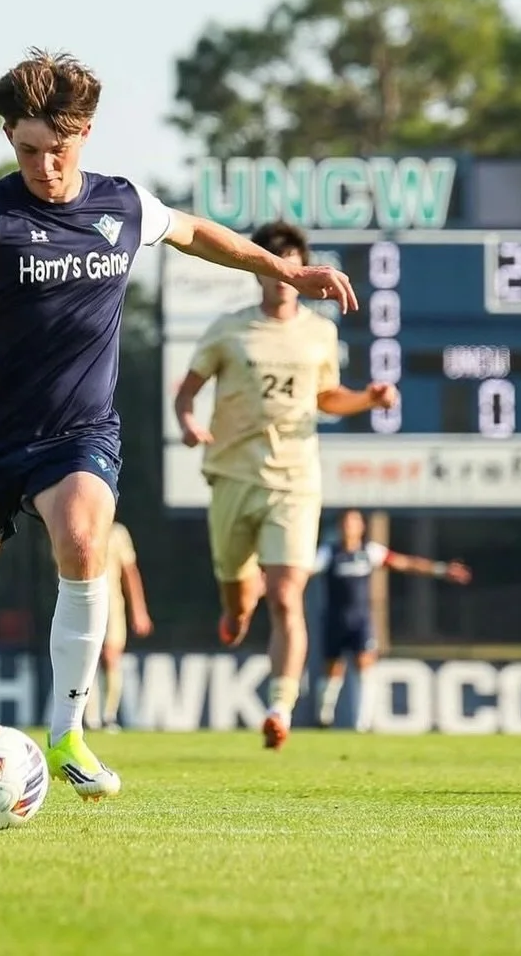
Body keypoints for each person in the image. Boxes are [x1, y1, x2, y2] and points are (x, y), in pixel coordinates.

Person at [0, 50, 356, 819]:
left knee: (86, 539)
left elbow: (199, 234)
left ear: (85, 134)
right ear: (10, 140)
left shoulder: (125, 205)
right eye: (26, 148)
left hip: (78, 433)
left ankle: (68, 733)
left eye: (56, 148)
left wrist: (286, 272)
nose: (43, 163)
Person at [172, 220, 395, 752]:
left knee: (287, 595)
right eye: (273, 265)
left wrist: (368, 399)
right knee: (240, 595)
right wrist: (187, 421)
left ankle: (280, 705)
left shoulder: (320, 332)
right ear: (258, 270)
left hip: (296, 479)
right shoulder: (229, 329)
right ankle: (233, 609)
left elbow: (327, 397)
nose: (282, 277)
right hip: (232, 475)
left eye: (292, 265)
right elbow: (187, 391)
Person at [315, 508, 472, 731]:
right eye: (346, 522)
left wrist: (441, 569)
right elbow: (304, 571)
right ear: (340, 526)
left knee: (365, 665)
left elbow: (405, 563)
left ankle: (363, 724)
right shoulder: (328, 553)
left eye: (355, 521)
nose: (350, 526)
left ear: (362, 526)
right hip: (335, 619)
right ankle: (324, 717)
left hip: (361, 620)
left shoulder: (370, 552)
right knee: (332, 670)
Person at [84, 519, 152, 732]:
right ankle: (88, 717)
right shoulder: (77, 528)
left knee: (111, 656)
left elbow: (130, 572)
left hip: (112, 605)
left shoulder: (117, 533)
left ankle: (108, 715)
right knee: (86, 660)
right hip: (84, 605)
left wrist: (139, 610)